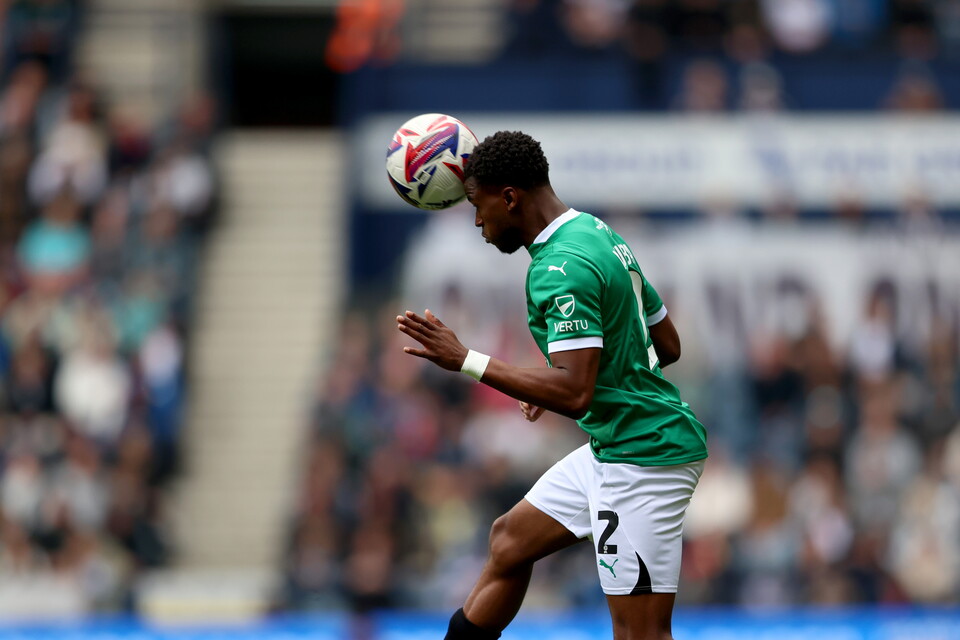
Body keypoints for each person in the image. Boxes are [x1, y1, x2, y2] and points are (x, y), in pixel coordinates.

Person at [397, 131, 708, 640]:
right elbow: (665, 345)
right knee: (510, 541)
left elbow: (575, 393)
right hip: (619, 440)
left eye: (478, 206)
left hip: (643, 459)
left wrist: (467, 360)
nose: (477, 221)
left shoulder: (559, 270)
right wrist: (567, 377)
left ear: (510, 198)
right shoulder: (594, 231)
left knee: (640, 634)